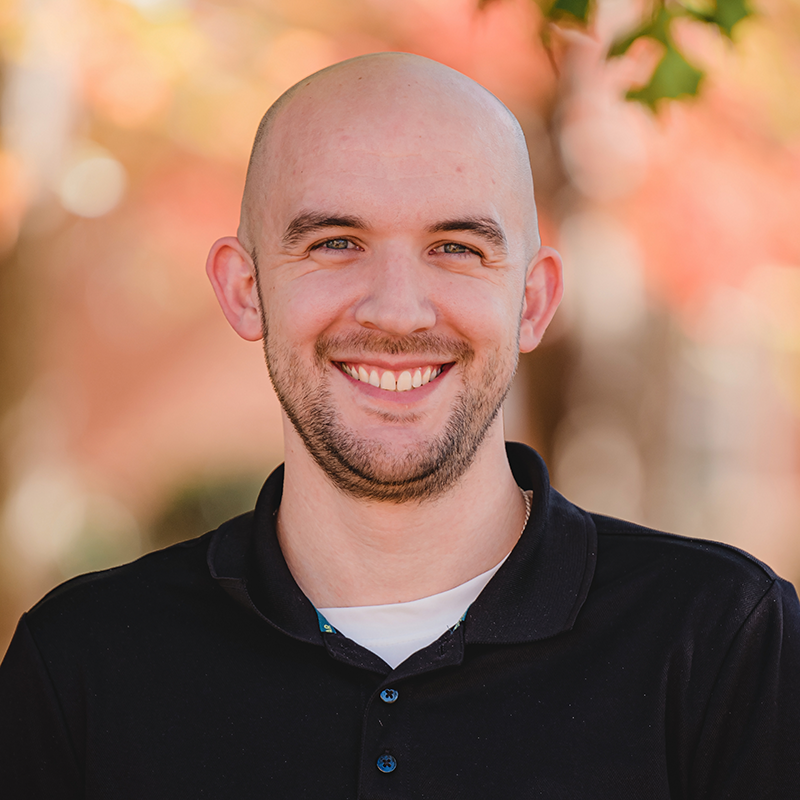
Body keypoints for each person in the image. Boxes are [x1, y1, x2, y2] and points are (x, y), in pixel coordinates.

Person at [1, 52, 798, 799]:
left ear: (532, 300)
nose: (397, 310)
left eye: (455, 247)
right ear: (244, 289)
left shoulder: (723, 644)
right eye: (335, 243)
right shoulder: (84, 663)